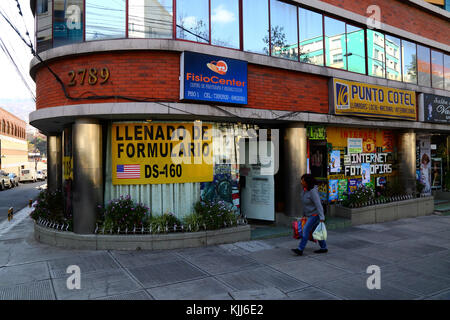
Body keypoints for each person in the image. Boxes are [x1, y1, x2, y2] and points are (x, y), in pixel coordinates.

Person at [292, 174, 328, 256]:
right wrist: (304, 214)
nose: (301, 182)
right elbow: (305, 204)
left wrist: (322, 217)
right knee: (316, 231)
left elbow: (318, 205)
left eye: (303, 180)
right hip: (309, 214)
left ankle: (300, 249)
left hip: (315, 215)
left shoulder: (313, 192)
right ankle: (324, 247)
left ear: (307, 182)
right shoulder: (305, 190)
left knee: (305, 230)